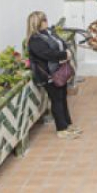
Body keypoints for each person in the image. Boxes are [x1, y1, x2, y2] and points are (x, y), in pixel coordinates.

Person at [26, 11, 79, 139]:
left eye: (45, 19)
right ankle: (61, 129)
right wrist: (64, 55)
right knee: (56, 100)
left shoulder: (48, 33)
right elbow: (47, 54)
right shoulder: (35, 40)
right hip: (48, 75)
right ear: (37, 23)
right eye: (44, 20)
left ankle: (68, 125)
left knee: (62, 97)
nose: (46, 21)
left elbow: (61, 43)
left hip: (59, 71)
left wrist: (65, 51)